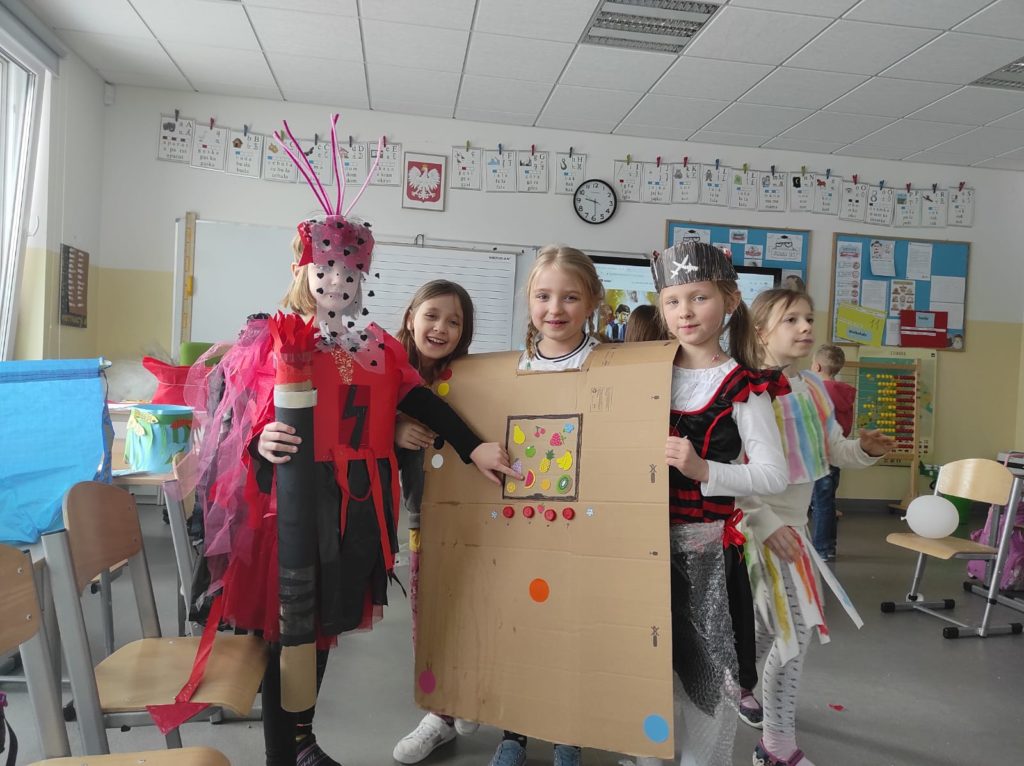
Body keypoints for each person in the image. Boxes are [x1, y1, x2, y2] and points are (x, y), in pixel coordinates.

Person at [182, 118, 518, 766]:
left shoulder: (376, 345)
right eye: (326, 270)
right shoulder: (273, 336)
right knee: (290, 631)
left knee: (323, 628)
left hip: (355, 506)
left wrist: (473, 446)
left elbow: (417, 398)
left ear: (363, 280)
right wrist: (261, 442)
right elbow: (235, 419)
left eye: (350, 274)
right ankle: (286, 753)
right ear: (305, 270)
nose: (338, 283)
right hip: (290, 506)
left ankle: (303, 739)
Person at [633, 241, 788, 766]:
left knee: (705, 673)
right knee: (647, 665)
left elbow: (772, 475)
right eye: (673, 301)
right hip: (640, 548)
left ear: (730, 301)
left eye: (699, 298)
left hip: (705, 557)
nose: (685, 312)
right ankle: (648, 753)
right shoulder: (646, 372)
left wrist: (704, 470)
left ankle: (701, 760)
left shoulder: (743, 386)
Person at [741, 288, 893, 766]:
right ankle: (775, 747)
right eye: (791, 319)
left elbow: (833, 449)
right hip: (757, 532)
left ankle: (738, 684)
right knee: (795, 631)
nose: (806, 327)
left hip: (796, 529)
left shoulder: (811, 388)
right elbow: (726, 474)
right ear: (761, 330)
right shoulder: (741, 389)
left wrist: (864, 449)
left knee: (769, 627)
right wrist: (764, 523)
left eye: (808, 317)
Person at [490, 244, 604, 766]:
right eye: (543, 296)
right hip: (522, 522)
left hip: (583, 524)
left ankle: (567, 735)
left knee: (572, 629)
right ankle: (514, 733)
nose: (554, 309)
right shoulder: (512, 369)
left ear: (593, 301)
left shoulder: (610, 367)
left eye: (570, 297)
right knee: (521, 627)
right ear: (529, 300)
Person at [390, 280, 482, 763]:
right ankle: (440, 713)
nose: (441, 328)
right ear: (411, 317)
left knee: (471, 609)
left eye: (454, 321)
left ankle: (460, 696)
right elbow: (350, 427)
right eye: (432, 316)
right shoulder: (386, 370)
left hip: (473, 515)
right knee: (428, 616)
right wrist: (393, 428)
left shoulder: (468, 376)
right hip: (421, 517)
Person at [808, 344, 856, 561]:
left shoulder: (816, 392)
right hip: (835, 453)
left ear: (816, 367)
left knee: (819, 503)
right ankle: (827, 546)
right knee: (826, 501)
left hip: (817, 453)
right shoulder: (845, 393)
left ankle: (822, 548)